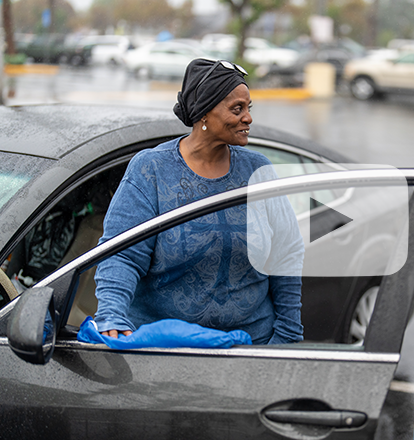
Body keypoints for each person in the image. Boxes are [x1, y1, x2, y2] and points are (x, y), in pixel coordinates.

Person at [93, 58, 304, 345]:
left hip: (251, 347)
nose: (248, 118)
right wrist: (112, 314)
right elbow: (122, 255)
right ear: (205, 113)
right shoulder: (152, 169)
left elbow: (286, 253)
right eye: (237, 109)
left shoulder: (258, 171)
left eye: (249, 108)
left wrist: (288, 334)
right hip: (166, 349)